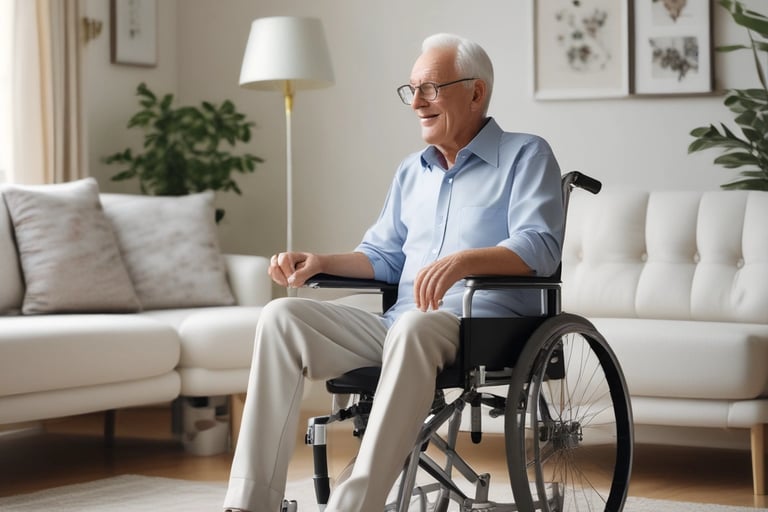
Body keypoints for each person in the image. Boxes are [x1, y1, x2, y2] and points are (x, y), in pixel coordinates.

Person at [223, 32, 564, 512]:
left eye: (430, 88)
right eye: (411, 90)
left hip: (484, 327)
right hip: (401, 324)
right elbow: (383, 257)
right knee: (281, 319)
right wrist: (320, 261)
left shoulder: (526, 155)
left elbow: (541, 247)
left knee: (414, 327)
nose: (416, 103)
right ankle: (250, 502)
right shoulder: (411, 172)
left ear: (476, 92)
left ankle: (355, 505)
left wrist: (463, 261)